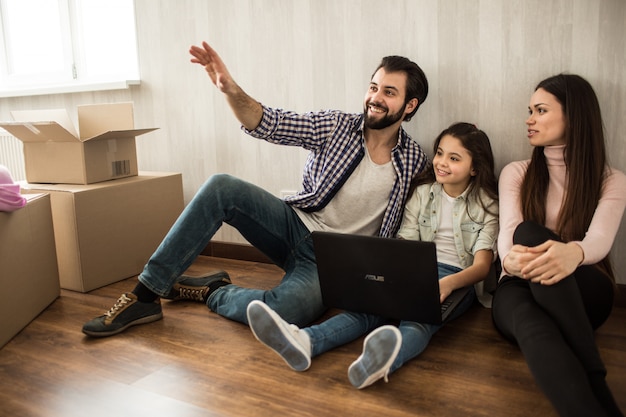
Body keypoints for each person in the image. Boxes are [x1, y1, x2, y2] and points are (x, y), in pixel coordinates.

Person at [82, 41, 430, 337]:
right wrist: (231, 90)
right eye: (373, 87)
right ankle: (145, 295)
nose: (375, 97)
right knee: (222, 187)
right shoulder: (336, 126)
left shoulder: (414, 161)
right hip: (294, 227)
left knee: (286, 312)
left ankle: (213, 290)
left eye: (389, 92)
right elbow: (269, 122)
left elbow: (432, 212)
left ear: (409, 105)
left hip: (335, 264)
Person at [246, 122, 499, 389]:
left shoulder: (486, 204)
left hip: (457, 278)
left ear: (474, 167)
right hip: (416, 269)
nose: (441, 162)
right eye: (439, 152)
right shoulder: (424, 193)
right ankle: (305, 341)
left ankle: (381, 363)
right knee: (365, 309)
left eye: (454, 158)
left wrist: (447, 283)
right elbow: (406, 243)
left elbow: (482, 267)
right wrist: (390, 277)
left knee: (418, 321)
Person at [492, 74, 626, 417]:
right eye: (529, 110)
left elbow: (599, 240)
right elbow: (508, 236)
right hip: (518, 284)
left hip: (583, 289)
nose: (529, 119)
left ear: (574, 116)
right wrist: (510, 263)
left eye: (540, 110)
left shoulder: (613, 181)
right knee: (530, 317)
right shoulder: (516, 172)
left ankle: (593, 381)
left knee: (533, 236)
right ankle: (597, 397)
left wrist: (572, 252)